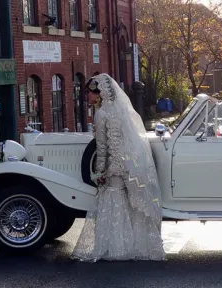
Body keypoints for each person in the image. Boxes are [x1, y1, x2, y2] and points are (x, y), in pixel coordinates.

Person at [71, 73, 165, 262]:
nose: (87, 97)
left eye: (89, 93)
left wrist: (98, 172)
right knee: (128, 206)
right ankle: (137, 245)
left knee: (114, 205)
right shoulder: (119, 112)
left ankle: (116, 248)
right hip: (128, 164)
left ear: (99, 94)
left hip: (113, 166)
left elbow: (102, 147)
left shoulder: (101, 114)